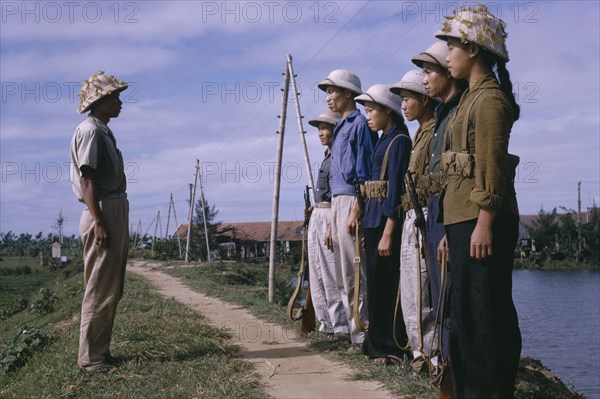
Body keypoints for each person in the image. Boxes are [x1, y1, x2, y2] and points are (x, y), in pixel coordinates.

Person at [435, 5, 522, 397]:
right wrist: (449, 231)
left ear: (473, 48)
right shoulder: (467, 100)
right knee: (465, 317)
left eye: (452, 44)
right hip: (463, 222)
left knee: (484, 318)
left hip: (481, 221)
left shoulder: (489, 101)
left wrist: (484, 222)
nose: (447, 53)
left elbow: (491, 167)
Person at [411, 40, 467, 386]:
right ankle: (445, 366)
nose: (424, 79)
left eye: (429, 70)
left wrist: (446, 226)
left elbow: (456, 178)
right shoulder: (444, 113)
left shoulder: (455, 111)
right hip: (434, 213)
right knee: (440, 295)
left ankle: (452, 369)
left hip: (449, 217)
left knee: (450, 297)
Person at [70, 71, 130, 373]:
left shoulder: (102, 129)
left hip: (110, 208)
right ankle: (92, 359)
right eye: (114, 97)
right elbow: (87, 180)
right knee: (100, 287)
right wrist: (100, 222)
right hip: (102, 211)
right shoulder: (90, 131)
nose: (119, 102)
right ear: (99, 101)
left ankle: (99, 352)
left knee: (111, 286)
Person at [318, 69, 378, 347]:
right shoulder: (341, 126)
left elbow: (366, 173)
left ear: (348, 94)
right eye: (328, 92)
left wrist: (357, 209)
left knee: (357, 273)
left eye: (333, 91)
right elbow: (334, 179)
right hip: (339, 203)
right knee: (344, 274)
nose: (329, 98)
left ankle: (363, 334)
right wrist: (332, 218)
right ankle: (353, 334)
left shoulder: (360, 125)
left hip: (354, 200)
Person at [354, 84, 412, 363]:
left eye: (371, 109)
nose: (367, 115)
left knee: (387, 285)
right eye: (365, 110)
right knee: (375, 285)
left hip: (386, 223)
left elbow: (394, 190)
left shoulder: (398, 141)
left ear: (387, 111)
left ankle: (389, 346)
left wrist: (388, 231)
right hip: (374, 221)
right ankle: (375, 343)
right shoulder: (383, 139)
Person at [389, 70, 438, 374]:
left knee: (423, 291)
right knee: (411, 291)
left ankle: (432, 359)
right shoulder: (419, 132)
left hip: (424, 216)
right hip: (412, 214)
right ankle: (419, 353)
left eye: (408, 98)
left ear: (424, 98)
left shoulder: (434, 131)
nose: (403, 104)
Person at [306, 109, 350, 340]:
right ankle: (326, 324)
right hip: (318, 212)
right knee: (317, 271)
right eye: (319, 129)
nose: (321, 133)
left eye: (325, 128)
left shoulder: (338, 157)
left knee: (332, 271)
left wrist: (332, 223)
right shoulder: (327, 155)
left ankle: (340, 325)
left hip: (330, 214)